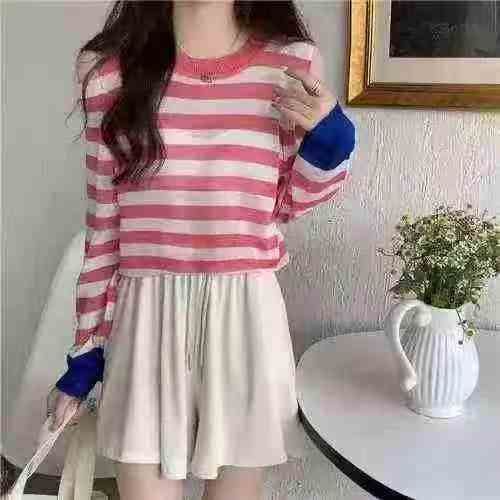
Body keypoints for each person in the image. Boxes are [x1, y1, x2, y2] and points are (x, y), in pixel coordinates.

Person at [47, 1, 356, 499]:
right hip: (145, 322)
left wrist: (330, 141)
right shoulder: (108, 73)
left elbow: (285, 203)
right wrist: (86, 353)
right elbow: (104, 231)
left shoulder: (290, 64)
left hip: (245, 319)